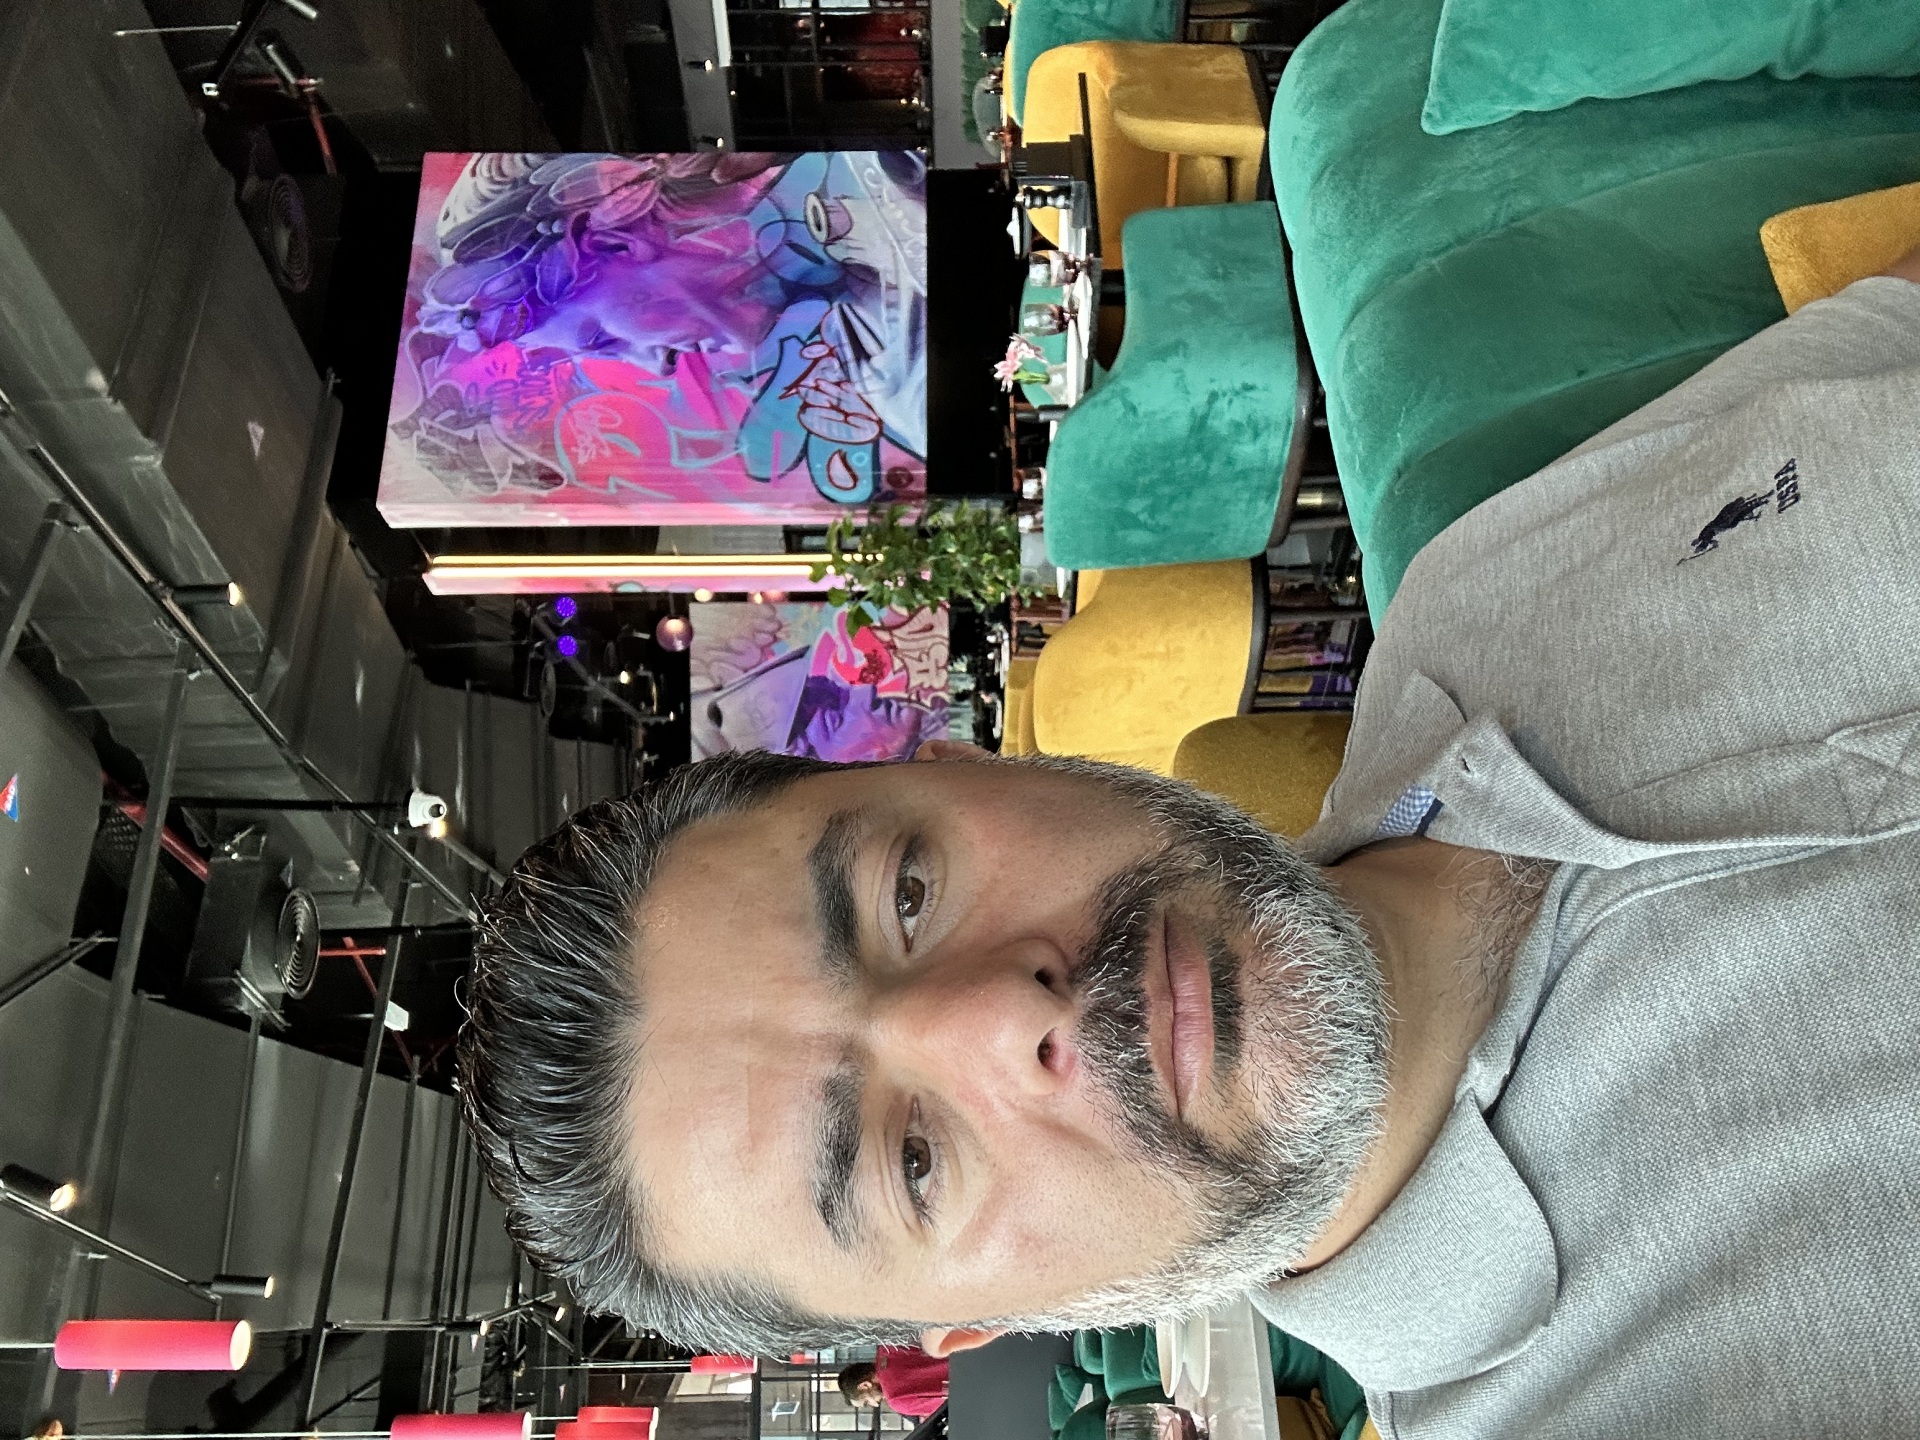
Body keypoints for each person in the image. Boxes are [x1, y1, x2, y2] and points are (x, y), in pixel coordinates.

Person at [457, 246, 1920, 1440]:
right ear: (979, 1328)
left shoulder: (1473, 594)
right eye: (911, 1163)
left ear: (961, 764)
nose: (1001, 1015)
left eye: (906, 891)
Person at [837, 1348, 950, 1417]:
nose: (875, 1404)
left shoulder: (897, 1399)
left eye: (866, 1402)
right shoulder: (888, 1347)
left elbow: (950, 1408)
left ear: (864, 1385)